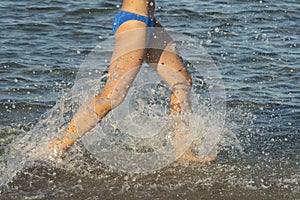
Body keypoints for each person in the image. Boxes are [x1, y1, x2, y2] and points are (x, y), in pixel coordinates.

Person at [49, 0, 215, 162]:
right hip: (134, 23)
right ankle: (60, 145)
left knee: (183, 83)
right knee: (112, 96)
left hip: (150, 23)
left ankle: (183, 151)